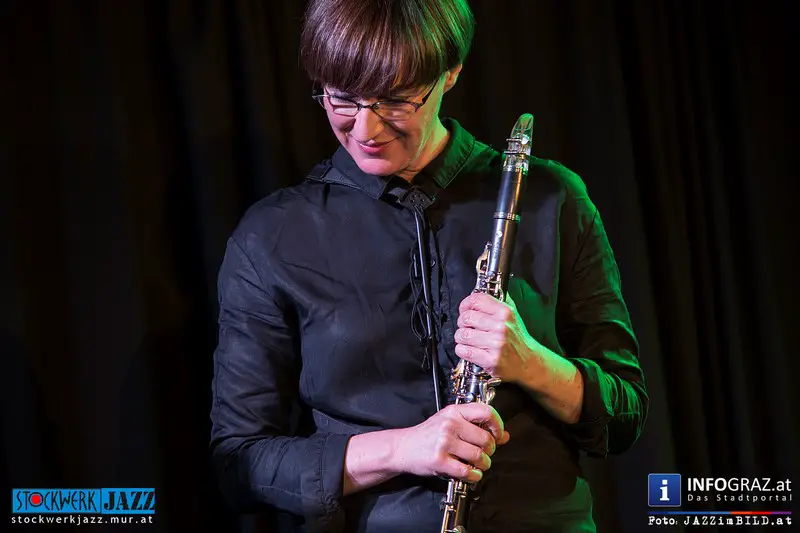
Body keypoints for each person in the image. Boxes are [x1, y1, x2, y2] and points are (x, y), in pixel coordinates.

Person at [209, 1, 649, 532]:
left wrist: (531, 363)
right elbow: (240, 463)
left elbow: (624, 417)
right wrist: (402, 448)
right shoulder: (273, 236)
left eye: (396, 100)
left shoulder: (551, 198)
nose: (366, 128)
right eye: (341, 99)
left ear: (450, 73)